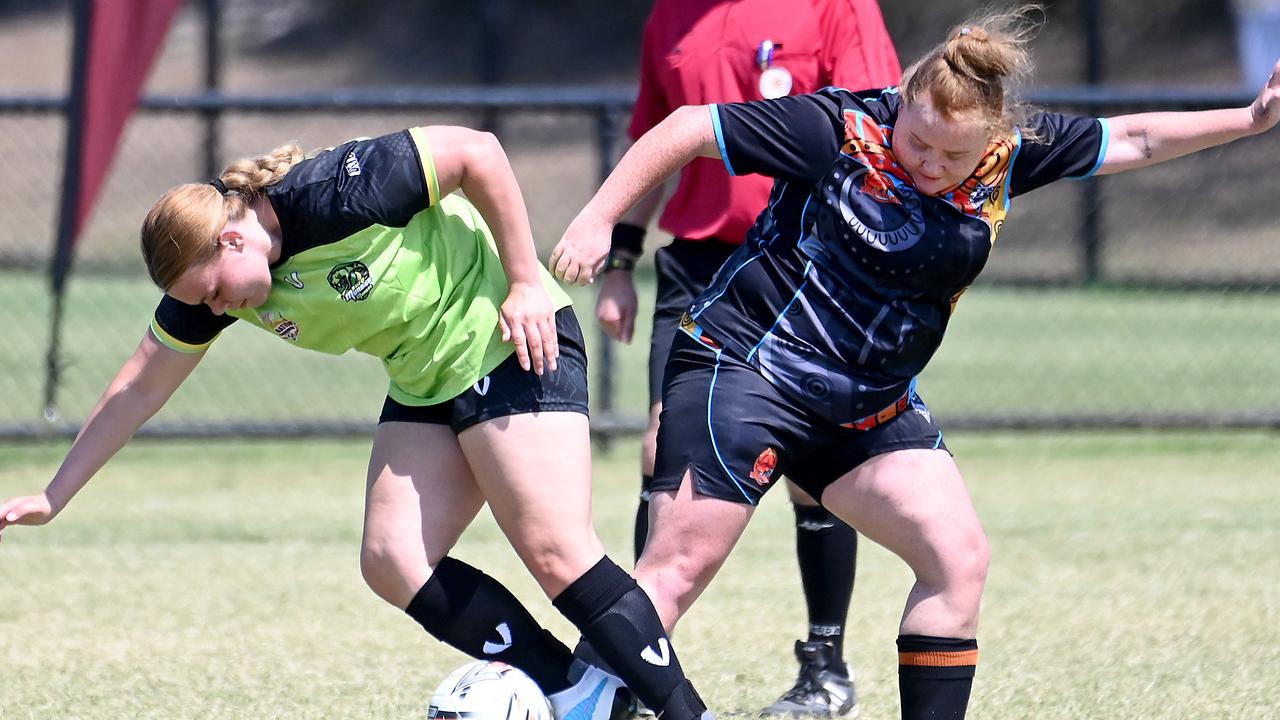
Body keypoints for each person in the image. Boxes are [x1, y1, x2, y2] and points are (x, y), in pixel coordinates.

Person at [552, 5, 1280, 718]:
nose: (929, 163)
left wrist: (1250, 119)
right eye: (918, 140)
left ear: (992, 136)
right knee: (673, 574)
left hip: (866, 407)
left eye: (951, 154)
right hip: (747, 371)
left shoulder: (1009, 155)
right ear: (902, 103)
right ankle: (563, 704)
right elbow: (684, 128)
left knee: (957, 560)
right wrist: (597, 221)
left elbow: (1138, 139)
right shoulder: (838, 130)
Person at [0, 125, 711, 720]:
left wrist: (526, 281)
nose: (214, 311)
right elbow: (134, 388)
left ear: (231, 241)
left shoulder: (334, 190)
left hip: (506, 336)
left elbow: (479, 153)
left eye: (214, 293)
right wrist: (54, 495)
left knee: (557, 553)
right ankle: (578, 692)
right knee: (393, 557)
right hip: (427, 374)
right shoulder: (212, 286)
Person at [598, 2, 900, 714]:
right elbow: (652, 141)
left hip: (808, 260)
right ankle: (642, 668)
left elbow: (876, 123)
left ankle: (825, 668)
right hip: (698, 268)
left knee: (811, 466)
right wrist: (619, 260)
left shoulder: (837, 6)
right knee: (660, 448)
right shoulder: (670, 17)